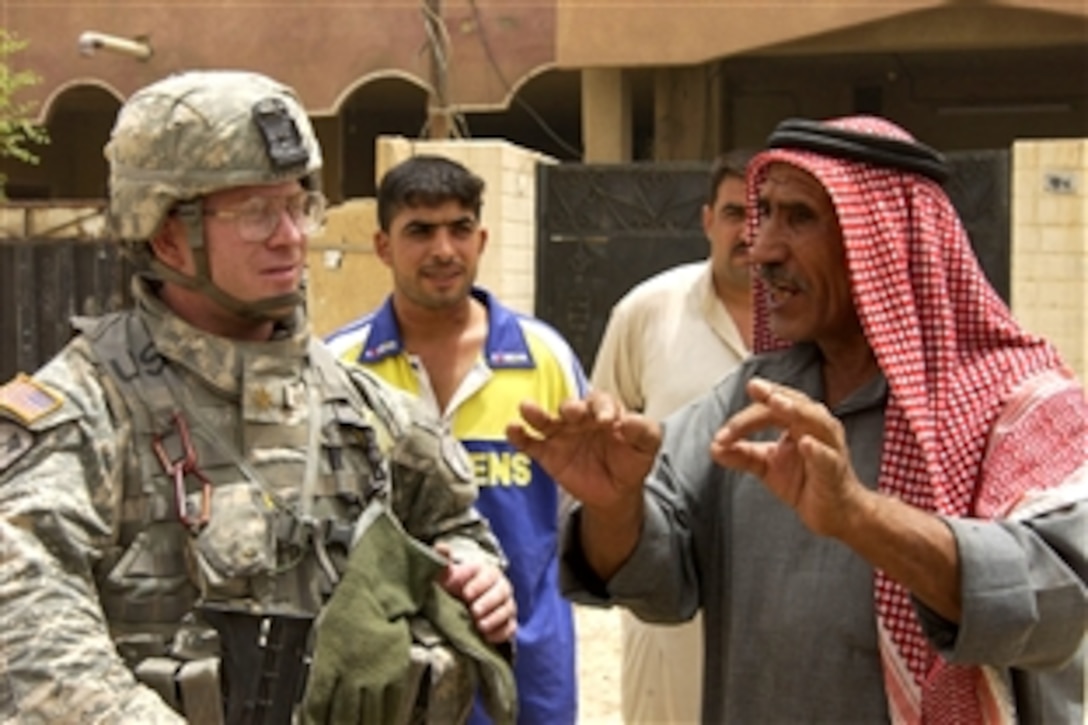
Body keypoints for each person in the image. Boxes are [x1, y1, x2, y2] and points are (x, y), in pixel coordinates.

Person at [507, 115, 1087, 723]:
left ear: (885, 241)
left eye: (800, 218)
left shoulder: (1021, 406)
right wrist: (614, 506)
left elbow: (1061, 602)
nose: (762, 248)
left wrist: (861, 517)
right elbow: (658, 581)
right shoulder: (753, 398)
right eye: (764, 214)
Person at [0, 70, 519, 724]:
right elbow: (29, 641)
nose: (291, 235)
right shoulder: (85, 413)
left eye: (298, 204)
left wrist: (472, 570)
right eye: (255, 213)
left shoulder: (361, 408)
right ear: (166, 233)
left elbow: (453, 525)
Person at [326, 154, 584, 725]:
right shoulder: (338, 370)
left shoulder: (546, 359)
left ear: (482, 238)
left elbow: (584, 521)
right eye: (420, 231)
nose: (444, 249)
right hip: (392, 674)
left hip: (527, 662)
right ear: (383, 246)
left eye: (459, 229)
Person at [590, 149, 753, 724]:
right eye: (735, 213)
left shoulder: (816, 325)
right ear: (708, 219)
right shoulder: (648, 311)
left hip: (780, 592)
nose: (750, 231)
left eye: (768, 213)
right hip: (669, 593)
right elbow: (604, 426)